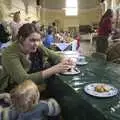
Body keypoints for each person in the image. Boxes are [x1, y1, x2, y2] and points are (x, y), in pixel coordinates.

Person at [0, 23, 73, 93]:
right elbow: (23, 80)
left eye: (38, 40)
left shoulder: (37, 46)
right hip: (15, 91)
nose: (36, 44)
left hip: (37, 87)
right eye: (32, 40)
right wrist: (54, 69)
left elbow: (54, 56)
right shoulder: (9, 54)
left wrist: (65, 61)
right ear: (21, 39)